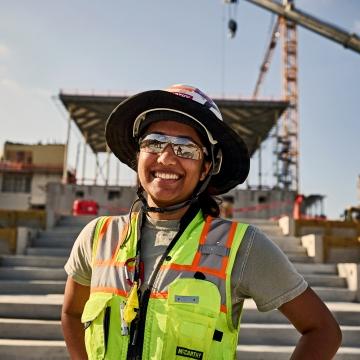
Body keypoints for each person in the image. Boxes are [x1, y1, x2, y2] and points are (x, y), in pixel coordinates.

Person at [61, 84, 341, 360]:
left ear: (207, 166)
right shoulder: (98, 236)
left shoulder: (242, 246)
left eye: (186, 148)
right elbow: (72, 313)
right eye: (154, 142)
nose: (167, 157)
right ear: (138, 156)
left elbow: (323, 331)